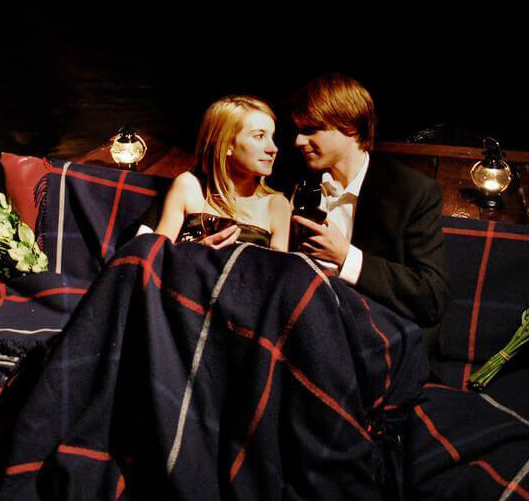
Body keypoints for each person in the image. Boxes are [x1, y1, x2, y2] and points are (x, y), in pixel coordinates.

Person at [289, 73, 449, 356]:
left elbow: (431, 297)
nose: (298, 141)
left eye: (311, 130)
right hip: (308, 329)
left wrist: (345, 257)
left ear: (350, 126)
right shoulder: (297, 185)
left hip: (380, 339)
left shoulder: (410, 191)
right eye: (299, 130)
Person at [154, 95, 291, 252]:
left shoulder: (277, 205)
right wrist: (199, 250)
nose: (273, 148)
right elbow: (155, 254)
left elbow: (278, 267)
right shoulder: (189, 187)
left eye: (272, 137)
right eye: (259, 136)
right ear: (227, 144)